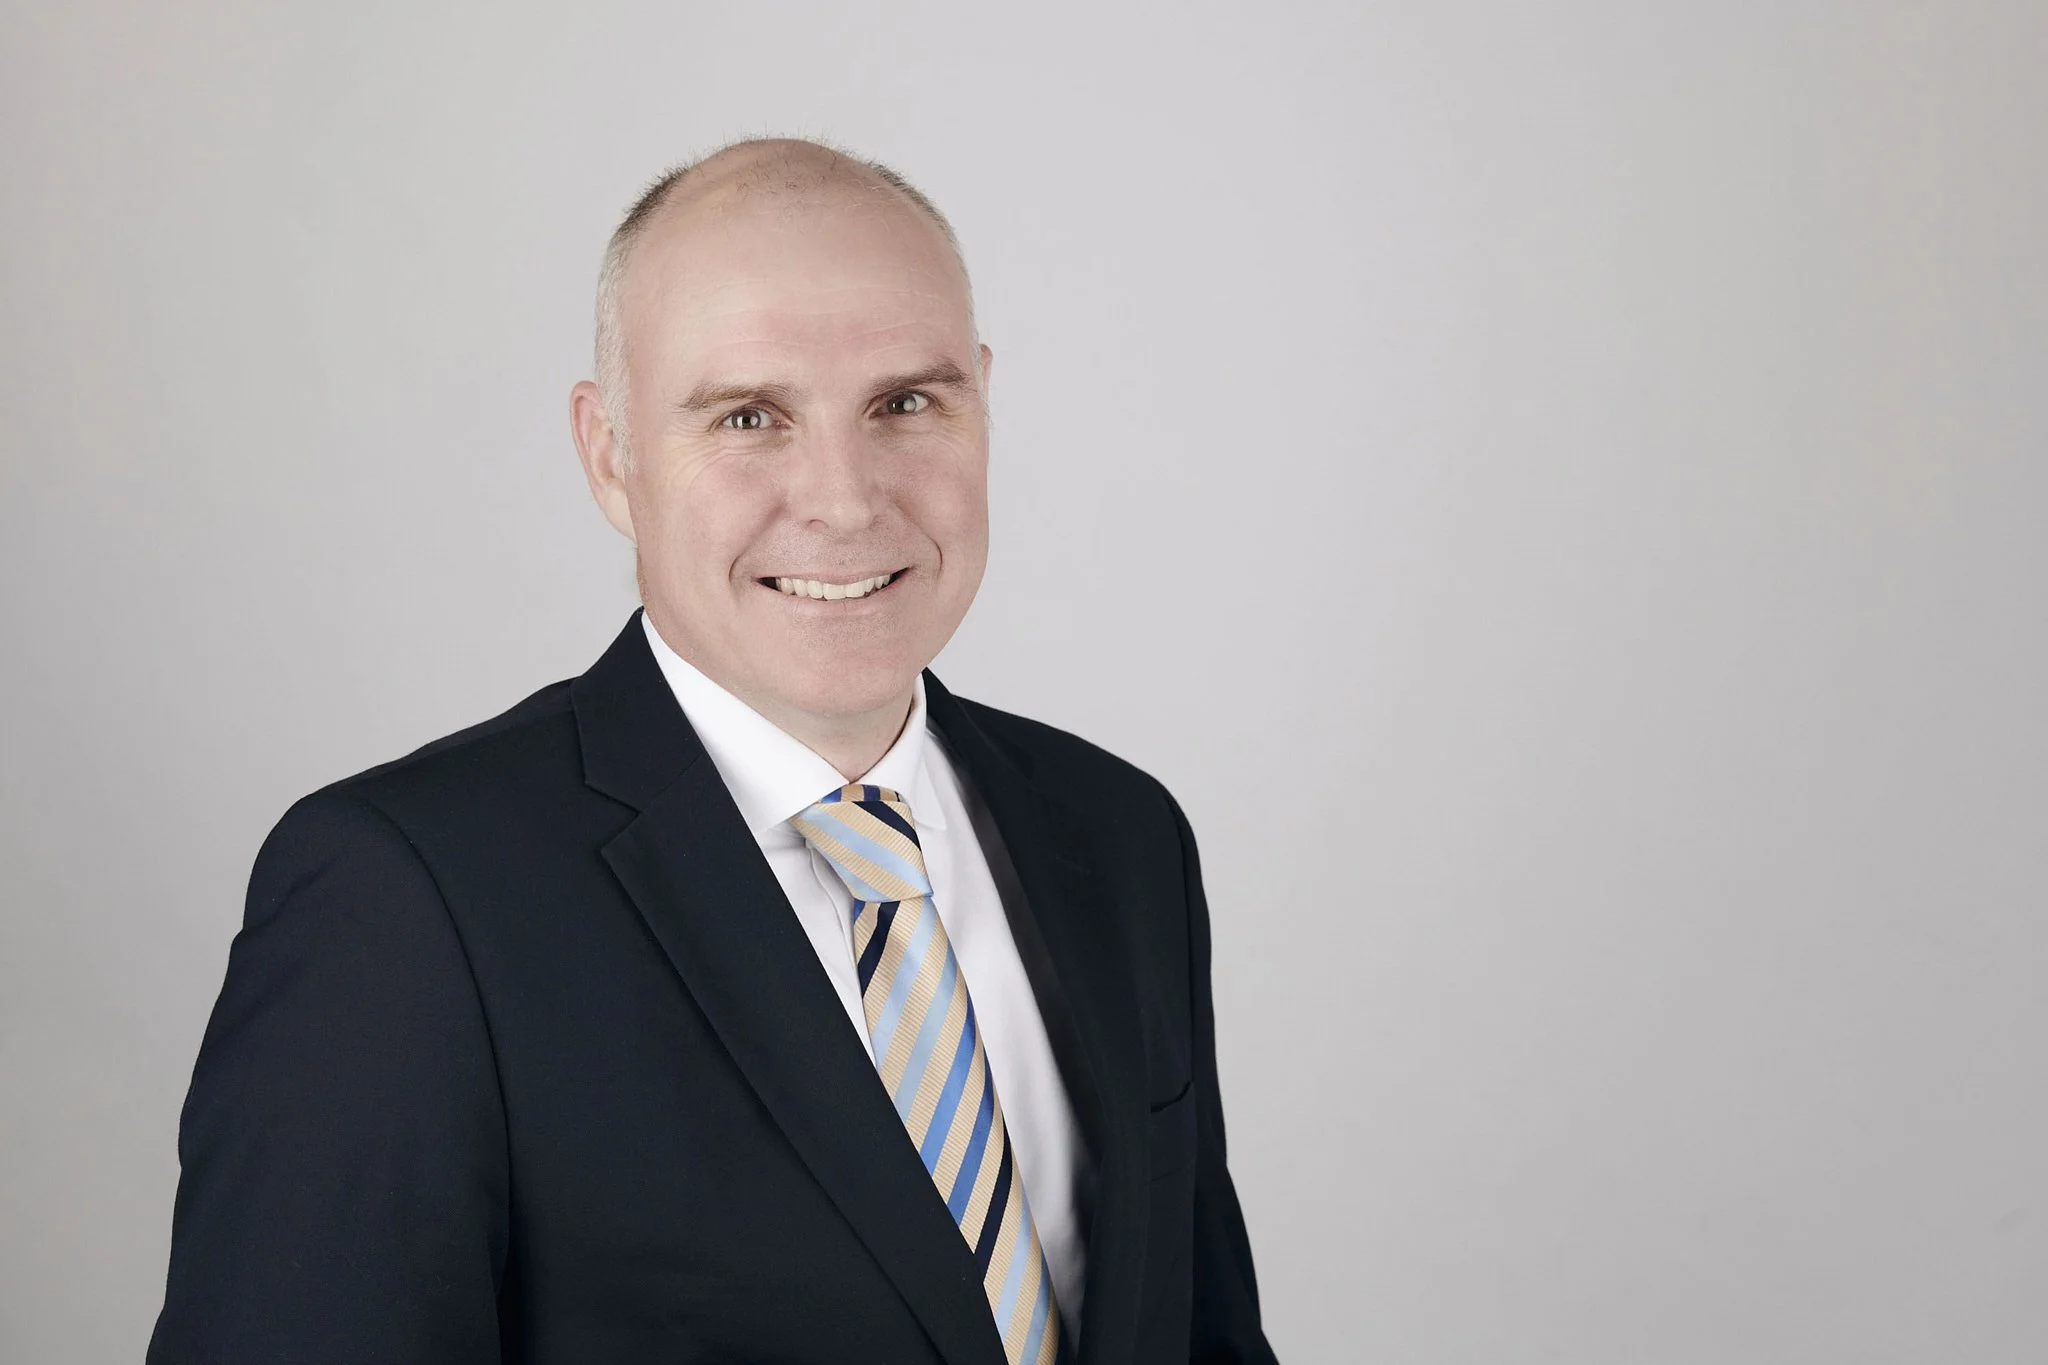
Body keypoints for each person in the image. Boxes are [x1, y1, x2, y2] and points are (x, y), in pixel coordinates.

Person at [148, 137, 1277, 1365]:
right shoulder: (404, 902)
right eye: (749, 417)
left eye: (905, 403)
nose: (844, 502)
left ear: (983, 406)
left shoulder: (1115, 834)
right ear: (609, 456)